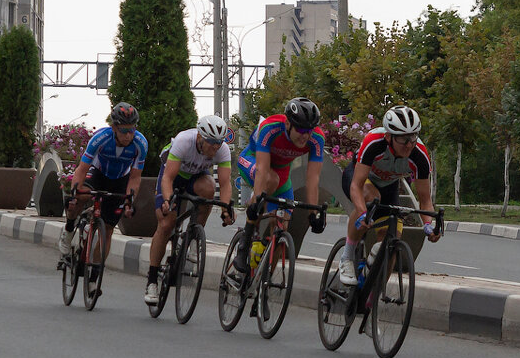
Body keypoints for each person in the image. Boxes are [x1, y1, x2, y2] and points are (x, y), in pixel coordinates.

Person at [339, 104, 440, 284]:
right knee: (371, 198)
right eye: (403, 139)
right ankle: (346, 257)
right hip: (360, 178)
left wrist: (429, 226)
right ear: (388, 136)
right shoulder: (374, 142)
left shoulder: (419, 155)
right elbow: (356, 185)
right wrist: (362, 212)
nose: (409, 145)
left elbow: (425, 200)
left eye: (412, 138)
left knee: (391, 241)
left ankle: (370, 298)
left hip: (388, 185)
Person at [57, 102, 147, 295]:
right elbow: (82, 169)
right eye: (124, 130)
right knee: (80, 197)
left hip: (120, 180)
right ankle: (69, 230)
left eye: (132, 130)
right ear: (114, 127)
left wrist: (130, 200)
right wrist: (74, 193)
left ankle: (93, 278)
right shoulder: (101, 138)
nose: (128, 135)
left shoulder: (140, 144)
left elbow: (135, 177)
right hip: (96, 173)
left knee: (107, 229)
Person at [144, 115, 234, 304]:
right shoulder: (184, 141)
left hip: (196, 177)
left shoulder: (222, 150)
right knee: (166, 223)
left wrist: (226, 208)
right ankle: (152, 280)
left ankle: (193, 238)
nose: (215, 148)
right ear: (200, 137)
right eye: (211, 143)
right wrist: (168, 201)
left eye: (219, 143)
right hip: (173, 176)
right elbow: (168, 179)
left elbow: (225, 184)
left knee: (209, 188)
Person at [233, 97, 325, 274]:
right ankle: (245, 241)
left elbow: (313, 178)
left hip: (281, 173)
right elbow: (261, 169)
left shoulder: (316, 139)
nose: (305, 135)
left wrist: (313, 213)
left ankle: (263, 284)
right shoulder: (270, 128)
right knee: (270, 180)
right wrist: (256, 202)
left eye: (309, 130)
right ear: (288, 123)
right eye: (300, 129)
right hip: (253, 160)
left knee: (283, 224)